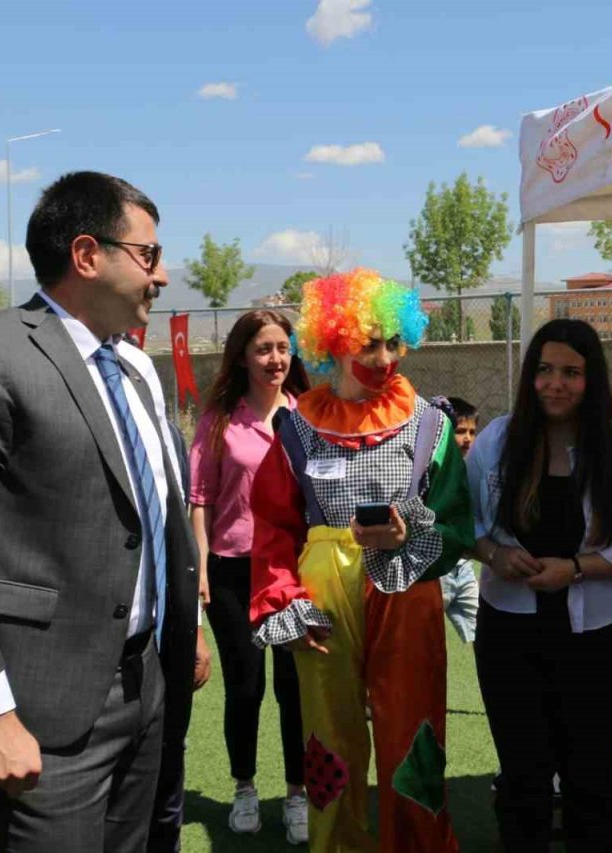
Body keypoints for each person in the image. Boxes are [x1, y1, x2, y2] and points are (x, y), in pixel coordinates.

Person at [0, 171, 200, 853]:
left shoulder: (133, 367)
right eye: (149, 254)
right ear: (88, 254)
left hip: (146, 683)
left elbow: (157, 518)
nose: (160, 276)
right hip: (42, 706)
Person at [250, 268, 473, 853]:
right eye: (367, 342)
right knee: (329, 738)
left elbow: (457, 523)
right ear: (332, 344)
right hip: (325, 597)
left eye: (393, 341)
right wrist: (284, 601)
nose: (384, 356)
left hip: (408, 589)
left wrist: (413, 533)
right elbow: (272, 527)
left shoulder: (430, 424)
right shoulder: (296, 428)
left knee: (414, 735)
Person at [467, 318, 612, 852]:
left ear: (591, 379)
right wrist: (495, 554)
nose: (556, 383)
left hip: (597, 640)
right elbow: (467, 525)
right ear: (530, 375)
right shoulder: (497, 440)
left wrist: (576, 569)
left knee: (591, 781)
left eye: (571, 373)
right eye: (545, 370)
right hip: (510, 636)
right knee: (522, 780)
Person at [188, 308, 310, 842]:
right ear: (242, 356)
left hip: (293, 571)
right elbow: (201, 500)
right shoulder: (218, 421)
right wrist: (200, 567)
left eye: (283, 347)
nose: (275, 359)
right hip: (233, 570)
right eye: (263, 348)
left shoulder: (307, 415)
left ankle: (298, 794)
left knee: (295, 689)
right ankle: (244, 788)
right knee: (245, 686)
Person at [148, 412, 214, 853]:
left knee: (168, 773)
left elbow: (179, 535)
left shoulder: (162, 425)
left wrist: (193, 627)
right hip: (92, 652)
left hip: (168, 634)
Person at [439, 396, 480, 643]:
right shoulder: (430, 470)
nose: (467, 439)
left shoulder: (474, 468)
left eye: (472, 432)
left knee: (485, 634)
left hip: (463, 567)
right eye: (460, 431)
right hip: (435, 570)